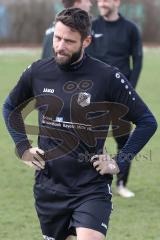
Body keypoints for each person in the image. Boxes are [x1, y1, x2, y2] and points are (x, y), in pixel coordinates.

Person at [3, 8, 157, 240]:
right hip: (49, 186)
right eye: (57, 37)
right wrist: (23, 146)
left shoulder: (107, 77)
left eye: (69, 41)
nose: (60, 46)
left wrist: (119, 162)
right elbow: (10, 107)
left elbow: (147, 121)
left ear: (86, 41)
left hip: (91, 187)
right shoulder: (37, 71)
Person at [86, 0, 143, 197]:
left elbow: (138, 59)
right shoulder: (92, 27)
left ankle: (121, 184)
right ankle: (96, 184)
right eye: (99, 0)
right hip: (97, 95)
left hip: (121, 97)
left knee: (124, 142)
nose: (101, 3)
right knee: (93, 141)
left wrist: (130, 90)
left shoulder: (130, 28)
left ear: (117, 2)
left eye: (106, 0)